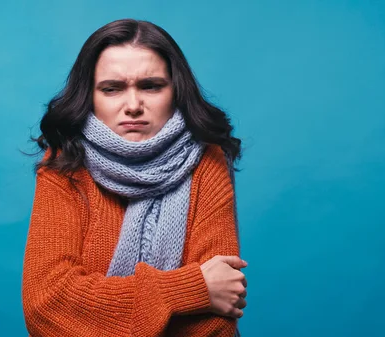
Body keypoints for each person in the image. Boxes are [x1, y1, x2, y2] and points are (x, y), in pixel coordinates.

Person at [21, 18, 248, 337]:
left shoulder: (206, 160)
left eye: (151, 86)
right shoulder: (65, 165)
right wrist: (188, 290)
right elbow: (46, 305)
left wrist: (102, 311)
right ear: (91, 96)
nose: (133, 106)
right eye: (112, 89)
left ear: (175, 90)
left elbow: (216, 322)